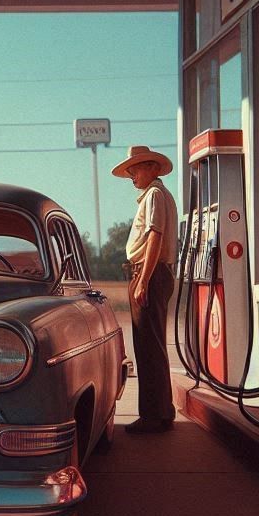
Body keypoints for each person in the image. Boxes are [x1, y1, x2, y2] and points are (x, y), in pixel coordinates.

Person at [111, 145, 179, 434]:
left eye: (135, 169)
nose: (131, 176)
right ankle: (162, 411)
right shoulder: (157, 195)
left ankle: (152, 416)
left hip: (148, 274)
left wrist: (143, 279)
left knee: (148, 347)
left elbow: (155, 235)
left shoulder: (154, 195)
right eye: (130, 171)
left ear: (151, 167)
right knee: (152, 345)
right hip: (153, 274)